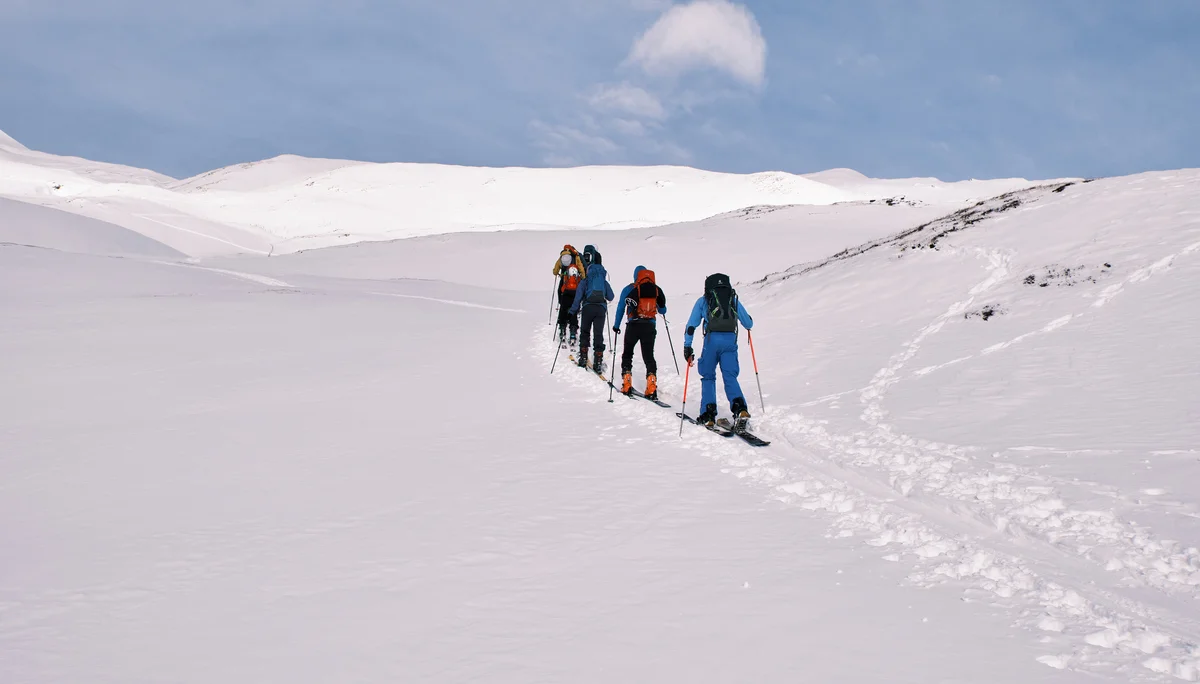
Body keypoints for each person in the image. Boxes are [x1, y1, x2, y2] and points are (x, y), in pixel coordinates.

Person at [682, 273, 754, 427]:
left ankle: (708, 413)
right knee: (730, 375)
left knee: (708, 375)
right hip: (730, 341)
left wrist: (687, 346)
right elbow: (748, 323)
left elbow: (690, 326)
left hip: (712, 341)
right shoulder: (732, 299)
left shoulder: (704, 301)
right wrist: (749, 321)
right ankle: (740, 408)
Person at [612, 265, 666, 399]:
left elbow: (620, 308)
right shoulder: (655, 289)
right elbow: (663, 310)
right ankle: (652, 385)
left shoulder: (629, 289)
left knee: (627, 354)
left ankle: (626, 382)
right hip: (649, 326)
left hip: (633, 325)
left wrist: (616, 325)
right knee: (648, 356)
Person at [568, 250, 614, 374]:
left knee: (585, 332)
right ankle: (598, 361)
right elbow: (611, 296)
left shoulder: (586, 280)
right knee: (598, 334)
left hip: (588, 308)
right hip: (600, 309)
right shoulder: (603, 281)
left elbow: (578, 298)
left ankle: (583, 357)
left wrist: (572, 311)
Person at [552, 245, 585, 345]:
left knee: (563, 305)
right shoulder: (576, 257)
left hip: (564, 284)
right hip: (575, 286)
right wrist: (583, 278)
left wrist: (560, 274)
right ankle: (573, 332)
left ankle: (562, 329)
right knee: (574, 307)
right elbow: (581, 269)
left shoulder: (561, 257)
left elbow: (555, 271)